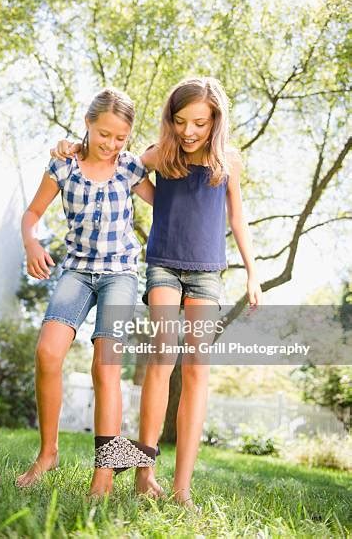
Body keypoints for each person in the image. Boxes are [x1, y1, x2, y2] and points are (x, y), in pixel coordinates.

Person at [50, 77, 263, 507]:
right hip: (163, 266)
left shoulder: (229, 161)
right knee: (161, 361)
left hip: (207, 274)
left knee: (197, 372)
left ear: (215, 122)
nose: (189, 131)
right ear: (171, 120)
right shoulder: (160, 154)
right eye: (181, 121)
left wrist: (253, 274)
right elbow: (111, 159)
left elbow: (238, 220)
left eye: (200, 123)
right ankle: (144, 472)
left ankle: (181, 487)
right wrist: (74, 146)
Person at [16, 87, 157, 497]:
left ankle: (105, 472)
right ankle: (48, 453)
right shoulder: (64, 165)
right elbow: (31, 214)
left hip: (120, 275)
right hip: (77, 271)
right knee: (47, 353)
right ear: (88, 125)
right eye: (104, 135)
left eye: (120, 138)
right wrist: (32, 243)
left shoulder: (130, 168)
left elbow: (166, 203)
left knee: (106, 367)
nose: (112, 144)